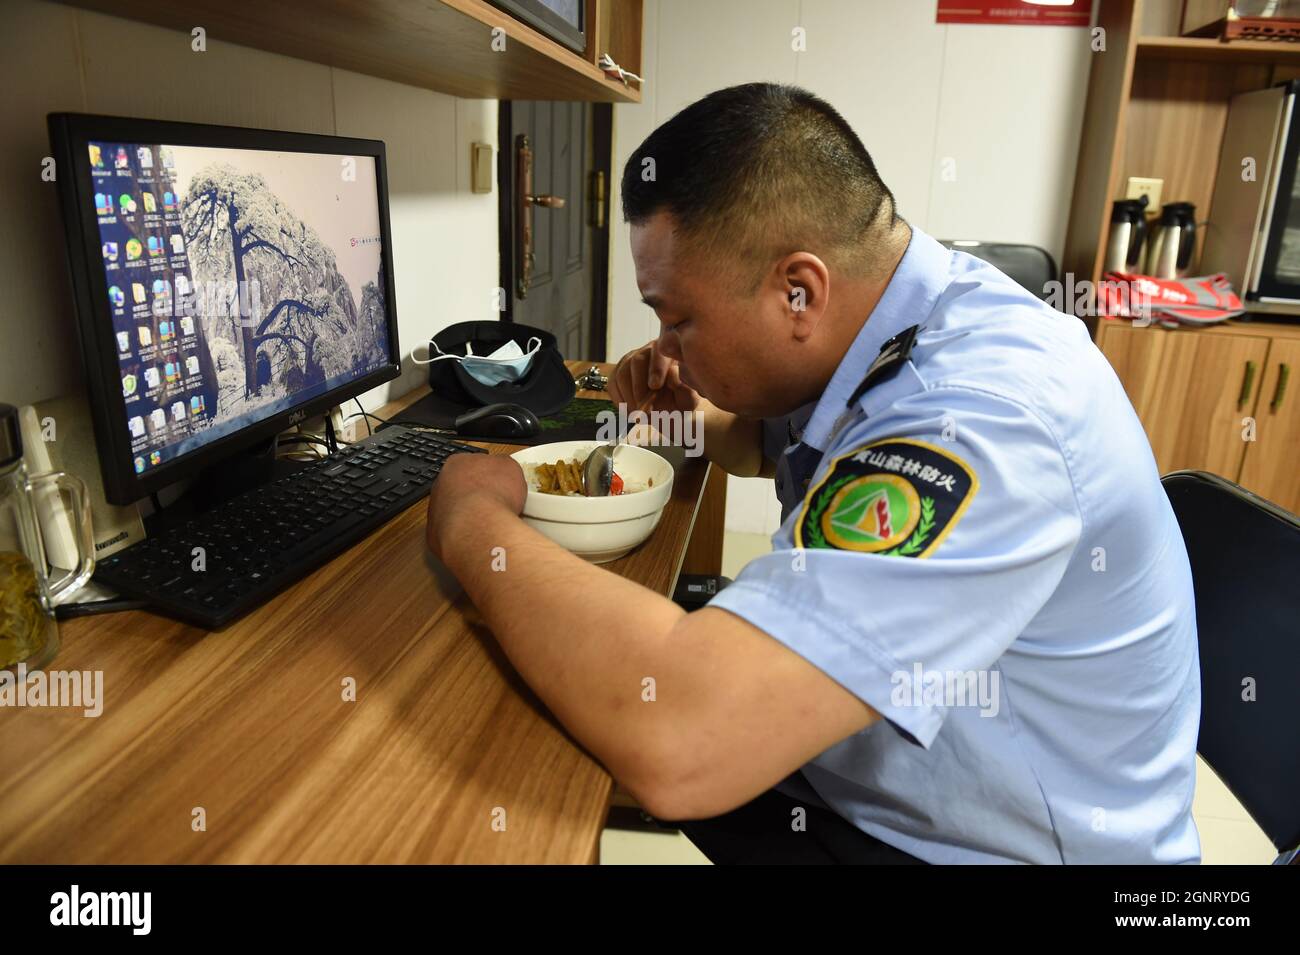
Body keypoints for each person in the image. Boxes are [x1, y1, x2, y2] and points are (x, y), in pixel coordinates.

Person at [424, 82, 1201, 864]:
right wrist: (687, 413)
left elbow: (683, 742)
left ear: (799, 290)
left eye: (678, 317)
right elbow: (769, 444)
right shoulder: (899, 313)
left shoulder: (980, 417)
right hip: (884, 789)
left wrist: (471, 518)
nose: (665, 345)